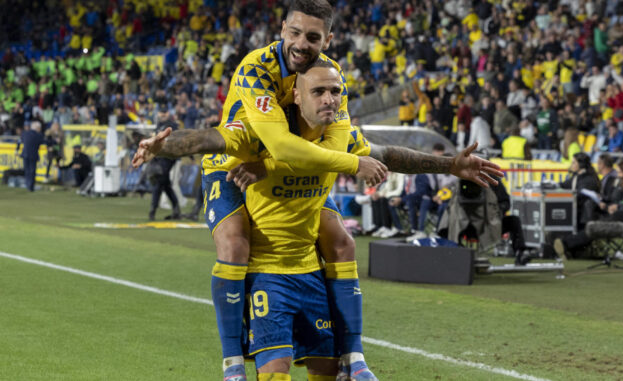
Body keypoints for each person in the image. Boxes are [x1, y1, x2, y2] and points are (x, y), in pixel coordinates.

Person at [134, 60, 502, 380]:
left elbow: (390, 155)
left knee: (343, 243)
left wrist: (451, 164)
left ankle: (354, 358)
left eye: (335, 91)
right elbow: (207, 139)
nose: (329, 98)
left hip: (306, 267)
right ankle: (232, 363)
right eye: (319, 92)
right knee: (234, 246)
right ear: (296, 95)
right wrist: (162, 146)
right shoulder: (260, 133)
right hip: (256, 234)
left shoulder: (339, 136)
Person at [148, 106, 180, 221]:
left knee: (158, 183)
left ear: (168, 113)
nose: (162, 115)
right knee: (165, 185)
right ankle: (176, 210)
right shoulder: (158, 126)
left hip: (168, 157)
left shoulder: (172, 125)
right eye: (161, 112)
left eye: (164, 112)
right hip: (159, 157)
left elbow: (175, 140)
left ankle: (153, 210)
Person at [559, 153, 600, 229]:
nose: (572, 165)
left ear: (581, 164)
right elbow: (564, 185)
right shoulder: (576, 176)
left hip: (583, 215)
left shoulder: (589, 179)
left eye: (574, 162)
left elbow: (580, 195)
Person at [16, 121, 43, 192]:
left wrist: (17, 150)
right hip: (33, 155)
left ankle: (28, 185)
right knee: (32, 171)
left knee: (27, 171)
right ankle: (31, 186)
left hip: (25, 154)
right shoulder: (38, 135)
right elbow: (44, 142)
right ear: (37, 128)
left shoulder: (24, 133)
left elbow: (19, 142)